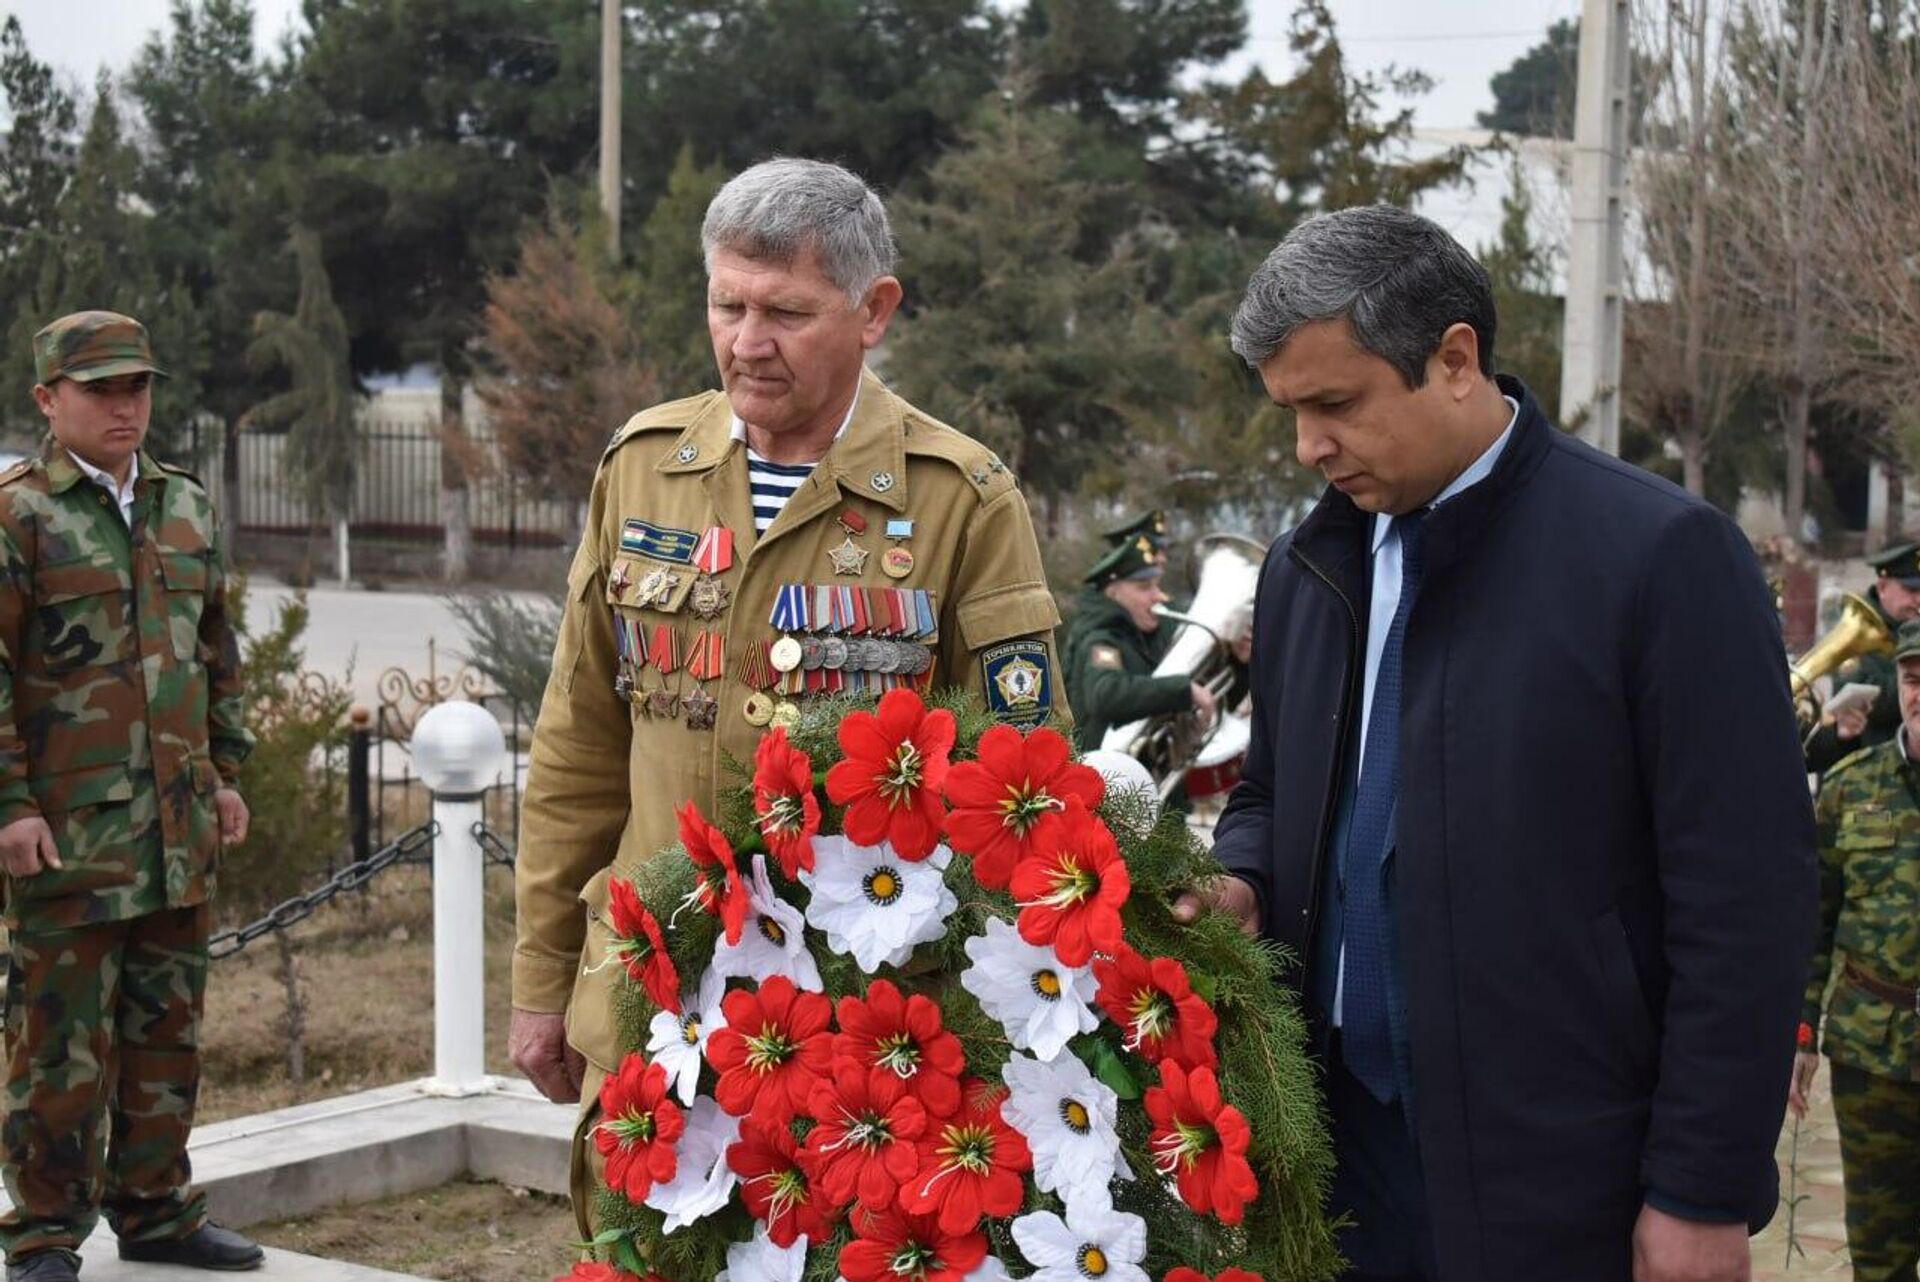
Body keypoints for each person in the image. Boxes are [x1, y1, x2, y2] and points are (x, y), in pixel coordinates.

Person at [1196, 206, 1816, 1282]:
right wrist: (1245, 875)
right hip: (1334, 1158)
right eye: (1291, 413)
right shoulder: (1307, 569)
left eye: (1336, 405)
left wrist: (1703, 1188)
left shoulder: (1660, 557)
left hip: (1566, 1171)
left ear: (1454, 359)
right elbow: (1272, 792)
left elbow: (1746, 897)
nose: (1308, 448)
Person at [510, 158, 1066, 1230]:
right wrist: (541, 979)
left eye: (787, 313)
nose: (747, 342)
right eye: (728, 305)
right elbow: (578, 746)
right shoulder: (644, 467)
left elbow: (1024, 784)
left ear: (874, 311)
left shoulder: (961, 499)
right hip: (653, 996)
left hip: (861, 1034)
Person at [0, 312, 260, 1281]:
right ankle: (43, 1232)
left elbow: (216, 653)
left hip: (176, 828)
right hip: (67, 837)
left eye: (137, 386)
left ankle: (157, 1212)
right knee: (57, 1048)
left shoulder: (183, 505)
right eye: (101, 389)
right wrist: (10, 806)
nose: (125, 406)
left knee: (166, 1033)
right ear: (47, 399)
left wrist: (225, 775)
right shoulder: (20, 515)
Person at [1790, 616, 1920, 1282]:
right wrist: (1802, 1034)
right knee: (1878, 1246)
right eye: (1912, 677)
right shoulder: (1850, 788)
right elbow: (1813, 923)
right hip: (1874, 1051)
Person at [1062, 529, 1215, 753]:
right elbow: (1106, 692)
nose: (1158, 596)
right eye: (1144, 587)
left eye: (1157, 585)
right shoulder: (1101, 640)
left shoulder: (1144, 634)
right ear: (1113, 594)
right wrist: (1183, 691)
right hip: (1106, 770)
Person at [1802, 542, 1920, 772]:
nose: (1919, 600)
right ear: (1883, 586)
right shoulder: (1854, 630)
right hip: (1870, 775)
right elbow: (1874, 702)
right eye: (1911, 590)